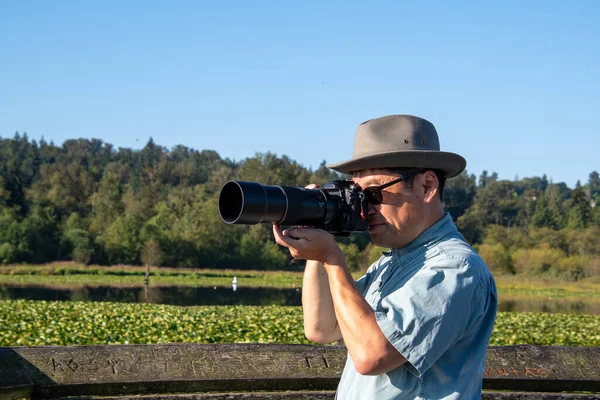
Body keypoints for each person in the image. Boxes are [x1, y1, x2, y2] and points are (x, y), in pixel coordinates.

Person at [273, 114, 497, 400]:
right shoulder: (395, 262)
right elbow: (322, 327)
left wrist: (331, 256)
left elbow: (371, 355)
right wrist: (316, 235)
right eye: (358, 195)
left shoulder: (454, 268)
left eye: (374, 193)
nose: (364, 209)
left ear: (427, 186)